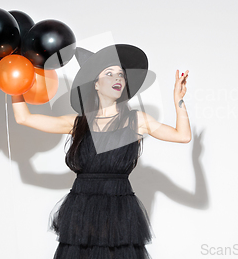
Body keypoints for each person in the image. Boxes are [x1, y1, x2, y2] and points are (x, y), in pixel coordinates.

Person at [11, 44, 191, 259]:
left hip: (119, 208)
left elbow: (183, 136)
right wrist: (14, 83)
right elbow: (24, 118)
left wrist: (178, 99)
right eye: (109, 73)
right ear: (95, 84)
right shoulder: (78, 123)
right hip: (82, 208)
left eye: (121, 75)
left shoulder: (137, 120)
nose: (118, 78)